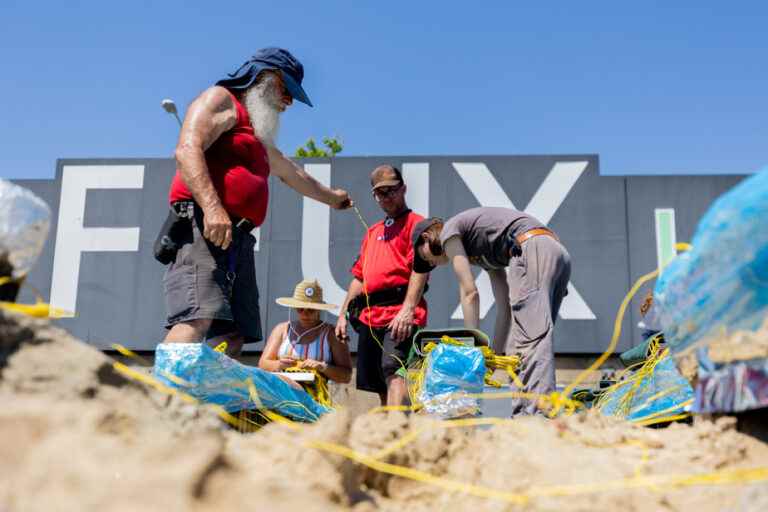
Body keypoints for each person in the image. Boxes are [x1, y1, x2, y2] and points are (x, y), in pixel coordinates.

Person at [160, 47, 351, 356]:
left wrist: (332, 198)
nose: (288, 102)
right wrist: (212, 208)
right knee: (196, 318)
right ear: (263, 76)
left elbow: (293, 174)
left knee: (234, 334)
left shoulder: (257, 134)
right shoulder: (220, 99)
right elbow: (186, 149)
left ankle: (204, 401)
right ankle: (155, 398)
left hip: (238, 240)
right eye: (287, 90)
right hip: (203, 226)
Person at [412, 207, 571, 416]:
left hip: (532, 247)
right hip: (554, 252)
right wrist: (493, 357)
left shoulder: (448, 232)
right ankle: (525, 412)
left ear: (426, 237)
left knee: (529, 341)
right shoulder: (484, 251)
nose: (430, 264)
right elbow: (504, 306)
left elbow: (470, 293)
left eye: (424, 258)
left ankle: (537, 414)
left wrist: (472, 350)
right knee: (519, 344)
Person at [335, 165, 429, 406]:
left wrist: (407, 310)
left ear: (403, 189)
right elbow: (359, 277)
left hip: (400, 310)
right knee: (377, 379)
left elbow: (421, 269)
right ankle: (390, 431)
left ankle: (399, 430)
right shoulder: (373, 232)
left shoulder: (417, 224)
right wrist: (343, 314)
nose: (386, 197)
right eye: (380, 193)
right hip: (370, 314)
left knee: (394, 368)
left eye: (391, 191)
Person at [259, 279, 352, 384]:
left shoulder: (332, 334)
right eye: (300, 309)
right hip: (284, 394)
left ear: (319, 310)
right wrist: (279, 364)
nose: (305, 314)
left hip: (317, 396)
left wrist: (323, 367)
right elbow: (263, 364)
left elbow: (346, 375)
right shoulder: (282, 329)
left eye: (311, 310)